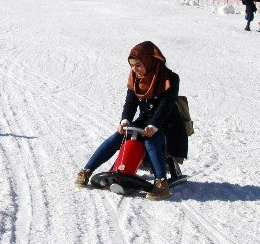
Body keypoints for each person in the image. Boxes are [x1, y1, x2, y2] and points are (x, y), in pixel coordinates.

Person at [75, 41, 188, 200]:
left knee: (150, 140)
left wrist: (154, 125)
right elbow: (130, 103)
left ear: (149, 61)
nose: (135, 69)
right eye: (132, 66)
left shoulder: (170, 78)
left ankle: (161, 184)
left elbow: (166, 106)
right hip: (145, 121)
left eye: (138, 65)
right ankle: (87, 171)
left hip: (169, 125)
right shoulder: (135, 78)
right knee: (119, 135)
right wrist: (125, 120)